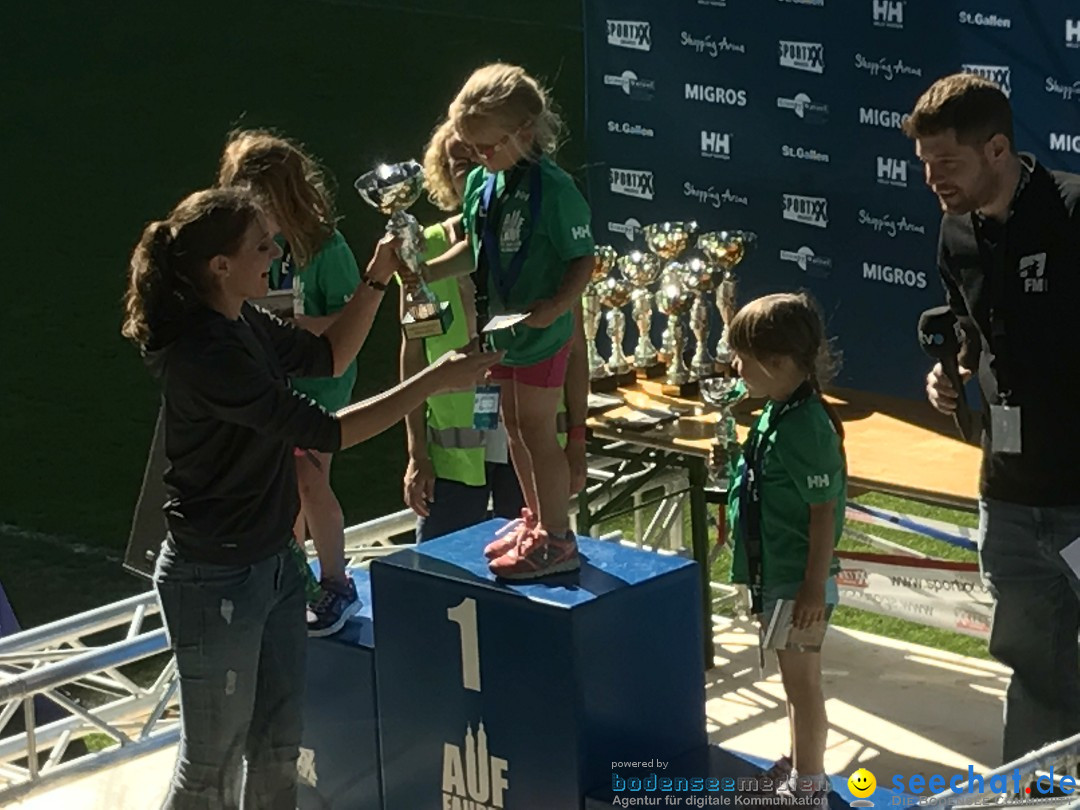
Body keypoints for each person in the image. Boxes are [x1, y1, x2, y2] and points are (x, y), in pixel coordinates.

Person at [121, 186, 497, 809]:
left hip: (274, 564)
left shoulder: (242, 319)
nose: (275, 253)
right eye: (260, 245)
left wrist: (377, 277)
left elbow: (328, 355)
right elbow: (328, 431)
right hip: (213, 578)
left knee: (277, 748)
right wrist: (435, 378)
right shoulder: (206, 353)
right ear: (220, 266)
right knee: (210, 764)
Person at [905, 73, 1080, 764]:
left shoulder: (1072, 210)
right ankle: (1034, 801)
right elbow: (973, 331)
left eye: (946, 163)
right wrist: (952, 373)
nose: (933, 180)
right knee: (1037, 677)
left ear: (998, 149)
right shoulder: (955, 233)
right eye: (924, 165)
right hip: (1008, 499)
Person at [423, 63, 596, 579]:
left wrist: (557, 307)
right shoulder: (482, 181)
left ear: (524, 134)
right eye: (470, 148)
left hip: (541, 331)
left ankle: (558, 540)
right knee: (514, 427)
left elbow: (583, 259)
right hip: (503, 329)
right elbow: (476, 251)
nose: (477, 157)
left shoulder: (555, 188)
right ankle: (537, 520)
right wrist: (423, 270)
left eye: (487, 147)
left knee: (539, 430)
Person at [217, 129, 362, 637]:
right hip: (270, 383)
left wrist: (286, 330)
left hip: (320, 382)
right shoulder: (248, 245)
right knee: (279, 487)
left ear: (284, 195)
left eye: (256, 200)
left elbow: (350, 320)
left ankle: (336, 580)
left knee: (308, 478)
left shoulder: (326, 247)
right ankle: (291, 579)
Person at [724, 293, 845, 805]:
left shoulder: (807, 428)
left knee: (803, 685)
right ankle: (799, 764)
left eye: (742, 361)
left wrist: (812, 587)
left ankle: (810, 786)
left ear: (777, 363)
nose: (735, 369)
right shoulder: (778, 408)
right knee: (791, 681)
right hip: (776, 574)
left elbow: (823, 514)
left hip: (798, 582)